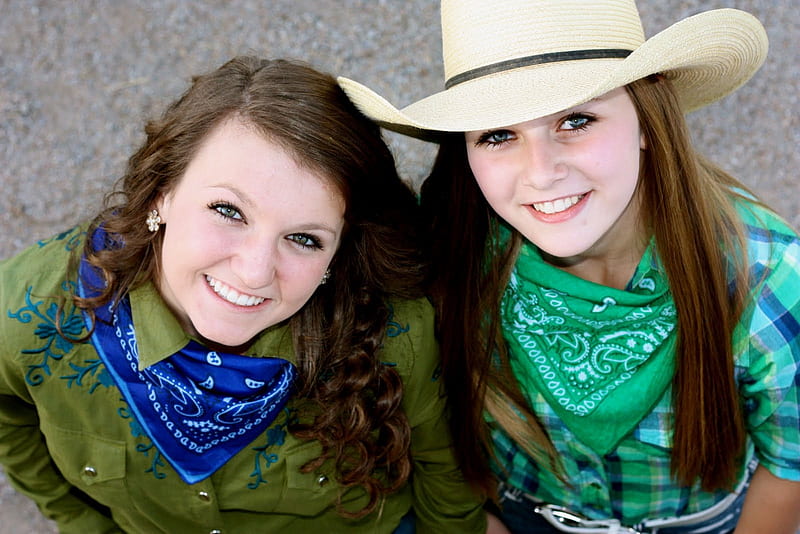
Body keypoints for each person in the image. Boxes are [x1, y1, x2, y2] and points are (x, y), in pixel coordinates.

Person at [338, 0, 800, 532]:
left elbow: (788, 467)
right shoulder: (452, 244)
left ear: (648, 121)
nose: (541, 173)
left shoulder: (767, 274)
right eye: (497, 134)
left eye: (576, 119)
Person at [0, 56, 486, 533]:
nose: (255, 273)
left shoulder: (395, 329)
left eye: (304, 239)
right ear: (161, 192)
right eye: (229, 211)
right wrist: (80, 523)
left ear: (338, 253)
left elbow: (444, 474)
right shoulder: (31, 312)